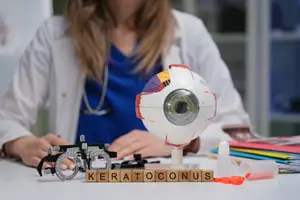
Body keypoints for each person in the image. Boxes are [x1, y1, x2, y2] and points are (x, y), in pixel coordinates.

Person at [0, 0, 251, 169]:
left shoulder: (189, 33)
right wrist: (20, 143)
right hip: (79, 185)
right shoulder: (55, 34)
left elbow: (237, 129)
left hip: (162, 186)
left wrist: (178, 140)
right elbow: (7, 119)